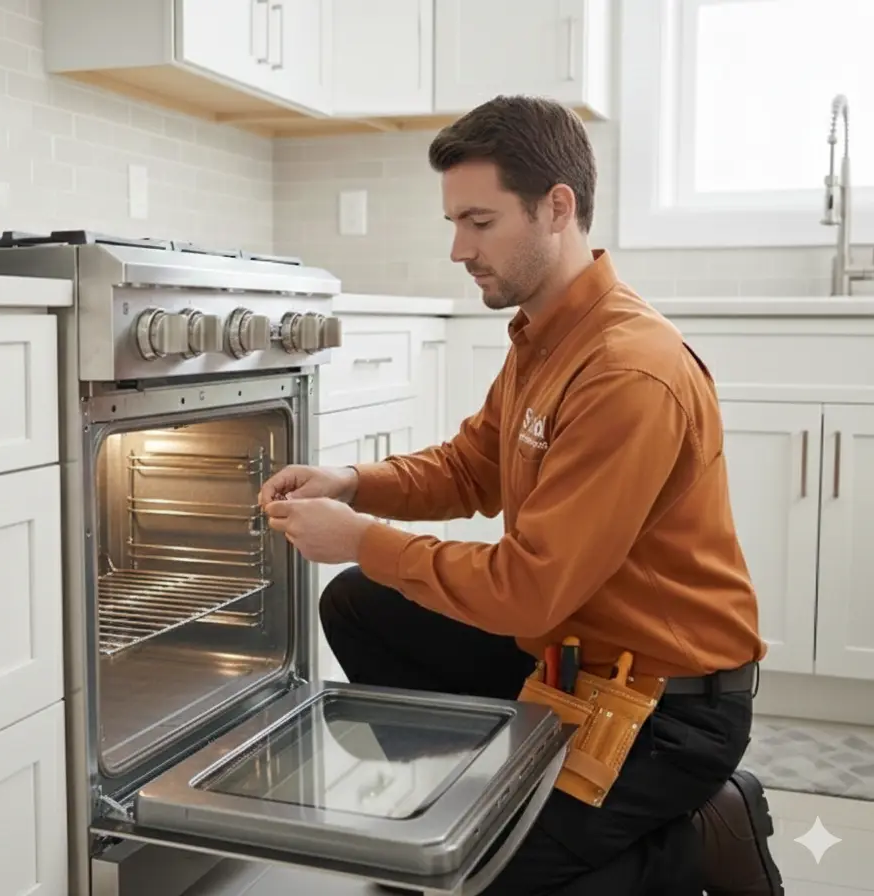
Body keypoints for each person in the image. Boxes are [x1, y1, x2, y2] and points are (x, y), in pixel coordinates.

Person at [258, 95, 785, 896]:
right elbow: (474, 466)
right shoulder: (548, 334)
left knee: (468, 871)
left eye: (479, 221)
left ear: (557, 208)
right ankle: (487, 789)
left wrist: (360, 534)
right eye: (453, 223)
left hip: (667, 711)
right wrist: (353, 482)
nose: (457, 249)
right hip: (571, 659)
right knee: (362, 606)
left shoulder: (627, 371)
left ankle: (693, 839)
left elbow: (530, 590)